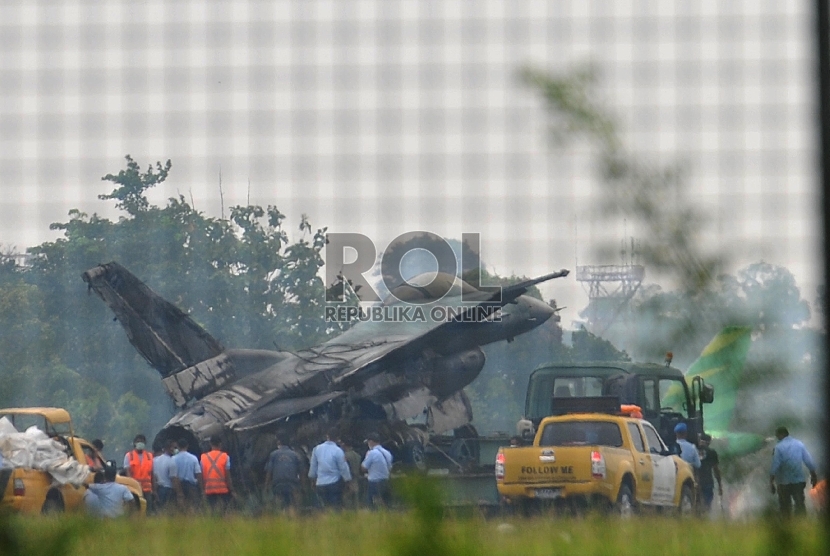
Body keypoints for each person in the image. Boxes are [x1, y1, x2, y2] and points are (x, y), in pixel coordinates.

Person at [770, 426, 818, 517]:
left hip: (783, 482)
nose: (777, 438)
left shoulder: (778, 447)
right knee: (800, 503)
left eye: (777, 436)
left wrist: (771, 481)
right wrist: (814, 475)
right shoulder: (799, 444)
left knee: (785, 506)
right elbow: (808, 460)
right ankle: (801, 524)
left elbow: (775, 465)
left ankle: (788, 526)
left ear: (781, 435)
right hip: (798, 480)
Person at [308, 429, 351, 509]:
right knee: (334, 508)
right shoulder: (338, 451)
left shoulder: (317, 449)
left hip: (320, 483)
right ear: (338, 438)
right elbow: (343, 467)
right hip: (334, 483)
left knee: (321, 508)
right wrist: (347, 480)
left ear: (327, 436)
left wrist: (312, 480)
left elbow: (313, 467)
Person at [264, 436, 304, 514]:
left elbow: (269, 471)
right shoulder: (295, 455)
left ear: (279, 442)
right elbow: (302, 472)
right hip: (292, 484)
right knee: (293, 506)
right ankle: (293, 520)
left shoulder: (273, 454)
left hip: (278, 484)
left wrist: (266, 486)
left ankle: (281, 520)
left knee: (279, 506)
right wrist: (302, 487)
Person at [201, 436, 233, 514]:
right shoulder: (225, 456)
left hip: (209, 489)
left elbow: (201, 475)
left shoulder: (203, 457)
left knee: (212, 512)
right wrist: (232, 489)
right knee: (224, 511)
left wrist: (202, 489)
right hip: (222, 489)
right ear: (220, 444)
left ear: (210, 444)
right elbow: (227, 475)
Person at [361, 432, 393, 509]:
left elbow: (363, 468)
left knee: (372, 506)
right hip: (386, 481)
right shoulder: (387, 453)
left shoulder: (371, 453)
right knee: (386, 505)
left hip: (374, 483)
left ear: (371, 442)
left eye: (368, 442)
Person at [123, 434, 154, 513]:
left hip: (147, 489)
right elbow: (128, 473)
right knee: (136, 510)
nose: (140, 443)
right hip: (135, 489)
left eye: (142, 441)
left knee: (148, 511)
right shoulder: (129, 456)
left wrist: (154, 489)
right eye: (138, 441)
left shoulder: (149, 456)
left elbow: (152, 473)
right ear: (134, 443)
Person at [152, 439, 182, 513]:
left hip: (158, 488)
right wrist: (179, 493)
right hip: (168, 490)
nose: (175, 450)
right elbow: (173, 479)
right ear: (170, 448)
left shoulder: (155, 460)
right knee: (169, 511)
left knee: (159, 511)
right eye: (174, 448)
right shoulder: (171, 461)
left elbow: (153, 475)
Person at [173, 438, 202, 512]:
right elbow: (198, 473)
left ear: (178, 446)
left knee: (181, 508)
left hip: (179, 485)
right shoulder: (193, 458)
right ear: (187, 446)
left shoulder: (173, 459)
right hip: (191, 486)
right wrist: (200, 487)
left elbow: (174, 476)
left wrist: (178, 490)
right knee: (193, 507)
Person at [697, 433, 723, 515]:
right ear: (709, 441)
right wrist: (719, 485)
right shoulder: (712, 452)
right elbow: (716, 470)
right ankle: (704, 518)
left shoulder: (694, 450)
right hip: (708, 482)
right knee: (707, 505)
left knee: (696, 503)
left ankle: (696, 519)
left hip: (695, 481)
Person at [339, 438, 362, 509]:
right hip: (356, 480)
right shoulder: (357, 455)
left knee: (347, 500)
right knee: (356, 503)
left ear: (344, 444)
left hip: (348, 482)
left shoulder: (344, 456)